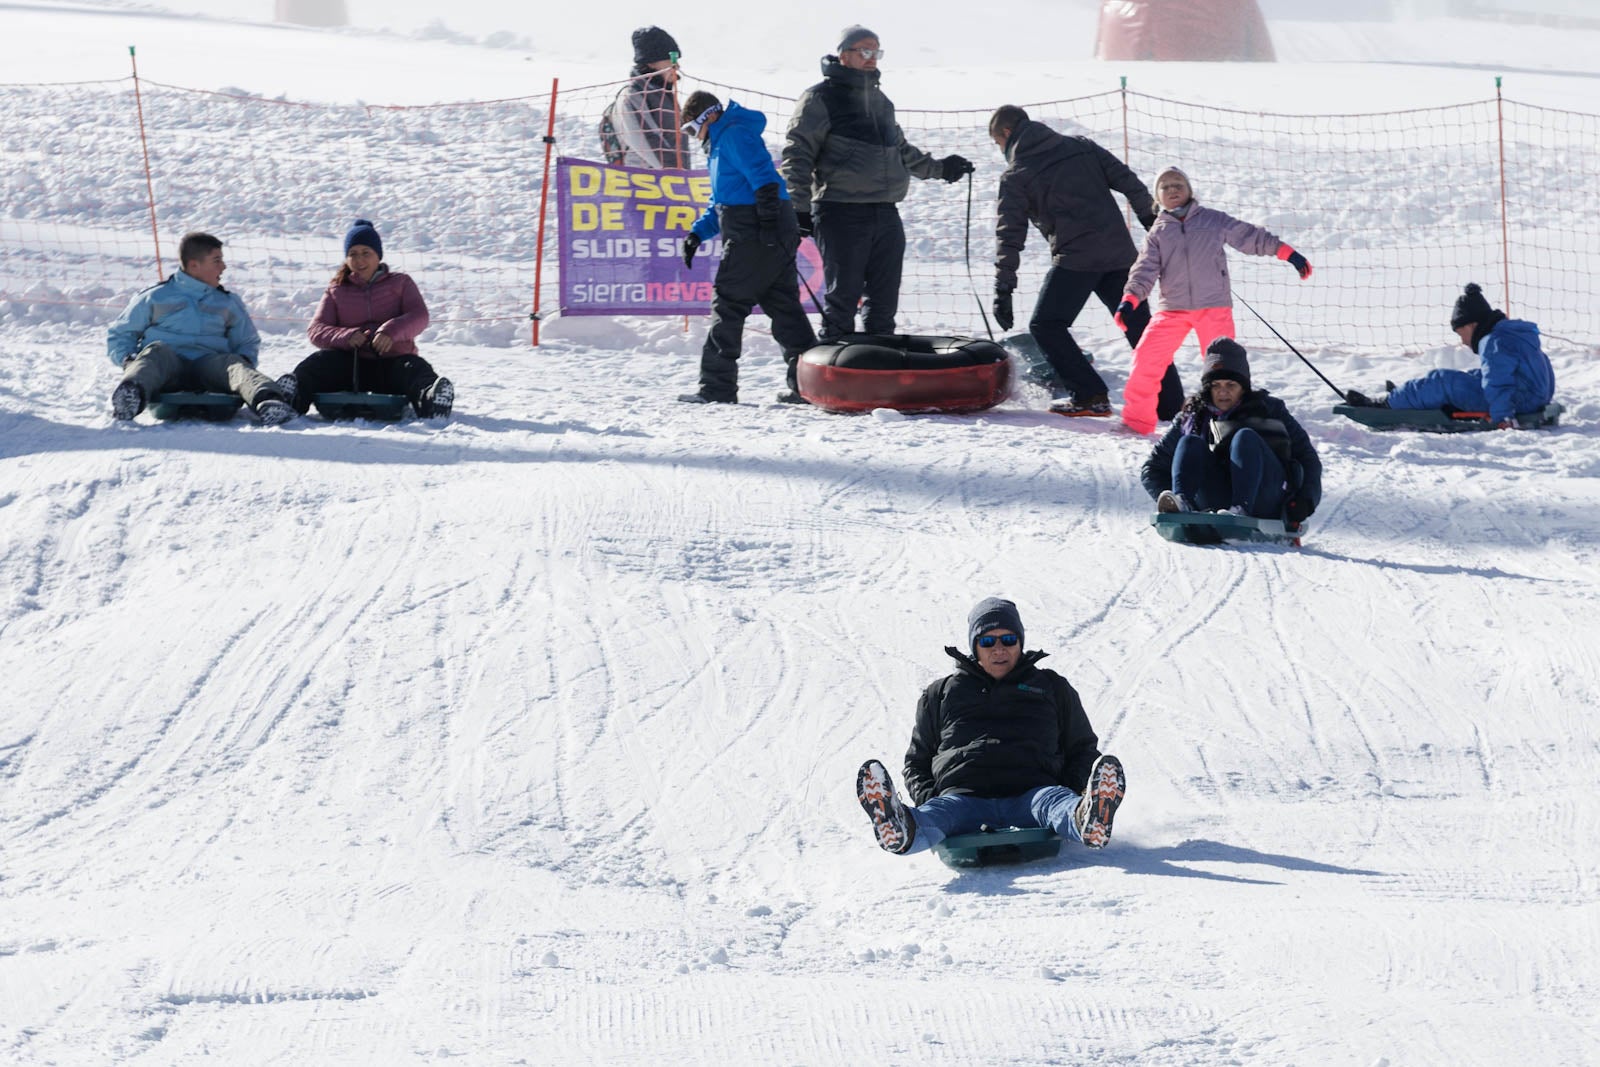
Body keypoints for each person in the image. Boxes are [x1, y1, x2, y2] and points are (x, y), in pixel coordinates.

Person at [856, 597, 1127, 857]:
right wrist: (930, 796)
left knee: (1058, 805)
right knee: (934, 817)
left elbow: (1082, 748)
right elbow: (917, 761)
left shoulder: (1051, 687)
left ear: (1020, 642)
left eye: (1008, 639)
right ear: (974, 646)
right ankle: (902, 827)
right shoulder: (940, 694)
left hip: (1033, 792)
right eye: (988, 641)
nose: (999, 649)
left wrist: (1069, 786)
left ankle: (1087, 818)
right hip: (963, 797)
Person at [780, 26, 973, 340]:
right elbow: (797, 153)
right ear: (844, 55)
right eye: (865, 51)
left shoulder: (881, 100)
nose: (872, 59)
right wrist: (799, 208)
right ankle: (835, 380)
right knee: (842, 299)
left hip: (885, 212)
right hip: (841, 211)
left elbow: (901, 150)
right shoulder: (820, 97)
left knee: (883, 302)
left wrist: (941, 169)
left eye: (876, 52)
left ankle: (879, 372)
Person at [988, 105, 1177, 418]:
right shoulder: (1082, 146)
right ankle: (1170, 403)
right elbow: (1128, 181)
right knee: (1139, 328)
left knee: (1046, 325)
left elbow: (1010, 234)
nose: (1000, 151)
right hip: (1120, 254)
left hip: (1076, 259)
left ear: (1006, 134)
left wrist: (1004, 285)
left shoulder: (1016, 174)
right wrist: (1151, 220)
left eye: (997, 143)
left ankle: (1089, 394)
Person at [1117, 166, 1313, 435]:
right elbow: (1144, 270)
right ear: (1157, 197)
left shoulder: (1212, 219)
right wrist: (1130, 299)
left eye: (1178, 184)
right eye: (1165, 186)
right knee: (1145, 359)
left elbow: (1249, 236)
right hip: (1172, 309)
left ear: (1189, 190)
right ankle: (1136, 422)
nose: (1173, 189)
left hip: (1213, 307)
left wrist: (1287, 253)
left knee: (1225, 370)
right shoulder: (1158, 233)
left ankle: (1230, 421)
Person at [678, 92, 818, 405]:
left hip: (757, 230)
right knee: (782, 304)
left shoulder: (733, 134)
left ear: (709, 116)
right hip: (760, 228)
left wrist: (769, 231)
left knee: (728, 302)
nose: (692, 136)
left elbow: (766, 181)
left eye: (691, 129)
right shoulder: (718, 144)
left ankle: (717, 388)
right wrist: (696, 235)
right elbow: (721, 203)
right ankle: (810, 385)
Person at [106, 231, 293, 424]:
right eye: (216, 260)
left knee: (233, 364)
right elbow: (121, 334)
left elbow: (246, 341)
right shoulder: (155, 297)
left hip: (211, 365)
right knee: (154, 352)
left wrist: (244, 360)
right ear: (195, 265)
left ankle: (269, 400)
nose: (223, 266)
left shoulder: (227, 302)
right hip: (167, 367)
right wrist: (129, 361)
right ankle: (131, 394)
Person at [1140, 338, 1322, 525]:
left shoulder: (1269, 409)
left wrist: (1305, 501)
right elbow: (1151, 468)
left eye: (1230, 385)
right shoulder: (1192, 415)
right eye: (1216, 385)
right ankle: (1182, 505)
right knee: (1189, 442)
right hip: (1215, 498)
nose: (1222, 392)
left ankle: (1241, 508)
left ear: (1243, 388)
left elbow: (1307, 456)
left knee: (1244, 437)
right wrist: (1166, 493)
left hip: (1266, 496)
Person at [282, 219, 452, 419]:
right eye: (352, 254)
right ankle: (290, 399)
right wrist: (347, 336)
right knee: (317, 363)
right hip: (350, 366)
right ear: (346, 259)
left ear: (378, 256)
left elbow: (419, 315)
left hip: (392, 361)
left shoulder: (400, 283)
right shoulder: (337, 290)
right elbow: (316, 329)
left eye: (366, 253)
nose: (359, 260)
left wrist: (390, 332)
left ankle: (432, 400)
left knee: (415, 369)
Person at [1343, 283, 1555, 430]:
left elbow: (1498, 384)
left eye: (1461, 333)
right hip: (1532, 396)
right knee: (1472, 376)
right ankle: (1403, 395)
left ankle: (1388, 405)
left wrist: (1503, 418)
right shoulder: (1512, 332)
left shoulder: (1494, 341)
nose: (1462, 341)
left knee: (1442, 381)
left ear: (1472, 324)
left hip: (1517, 402)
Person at [599, 26, 689, 170]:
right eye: (670, 60)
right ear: (651, 63)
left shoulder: (666, 96)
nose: (677, 66)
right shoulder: (632, 96)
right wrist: (679, 176)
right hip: (645, 185)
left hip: (670, 185)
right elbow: (648, 141)